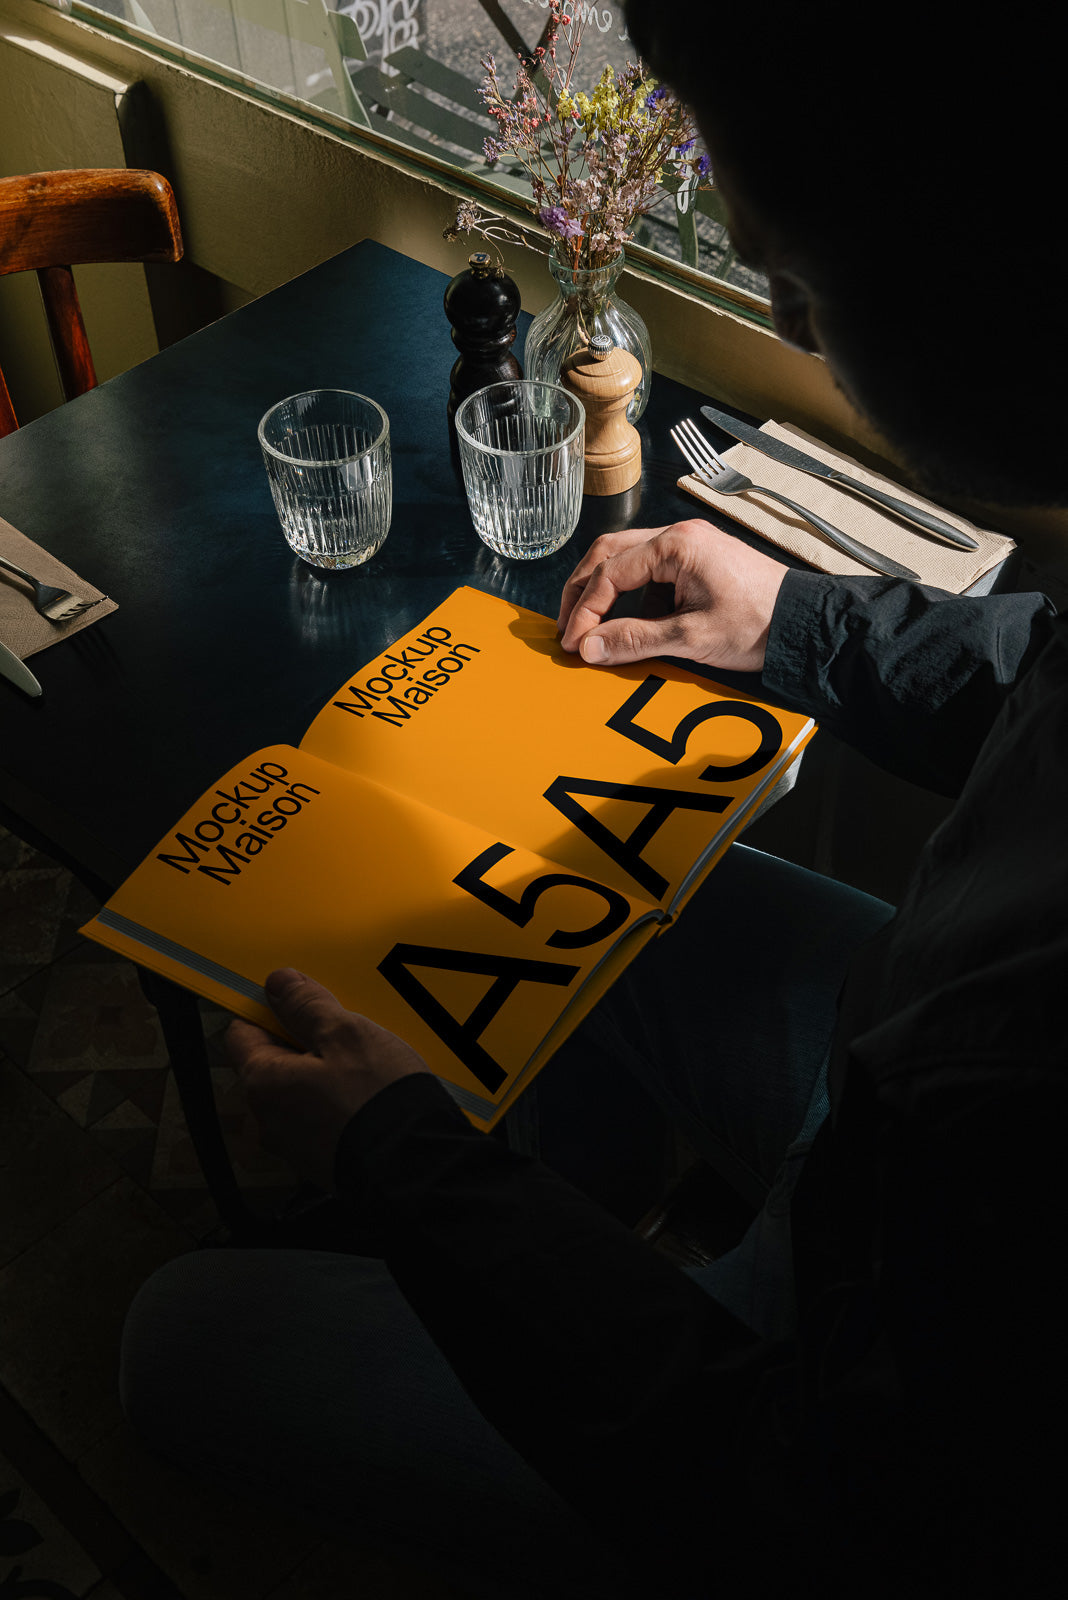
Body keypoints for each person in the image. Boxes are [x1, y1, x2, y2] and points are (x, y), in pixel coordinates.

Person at [119, 4, 1066, 1595]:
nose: (773, 294)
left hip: (838, 1378)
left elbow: (807, 1510)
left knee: (172, 1344)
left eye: (807, 272)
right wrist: (792, 615)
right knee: (657, 911)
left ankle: (545, 1247)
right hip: (895, 1098)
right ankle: (586, 1205)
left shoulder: (1022, 1099)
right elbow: (1043, 665)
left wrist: (406, 1160)